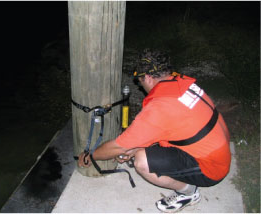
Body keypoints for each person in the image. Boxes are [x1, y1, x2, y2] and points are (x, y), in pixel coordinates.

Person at [78, 49, 231, 213]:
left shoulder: (160, 108)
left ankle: (188, 193)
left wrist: (91, 155)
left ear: (149, 78)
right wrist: (135, 146)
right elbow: (168, 128)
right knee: (139, 149)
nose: (140, 85)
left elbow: (118, 147)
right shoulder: (179, 82)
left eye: (140, 80)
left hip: (212, 167)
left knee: (142, 161)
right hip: (216, 148)